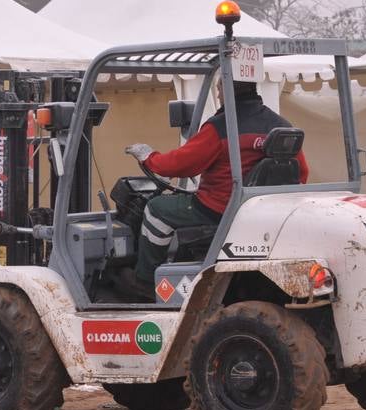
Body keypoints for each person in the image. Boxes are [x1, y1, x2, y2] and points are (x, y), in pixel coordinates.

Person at [125, 80, 309, 289]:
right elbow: (302, 172)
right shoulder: (281, 125)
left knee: (156, 209)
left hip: (218, 208)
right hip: (260, 211)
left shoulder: (221, 127)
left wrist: (149, 157)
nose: (219, 93)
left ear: (224, 90)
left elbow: (180, 164)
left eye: (219, 88)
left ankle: (145, 281)